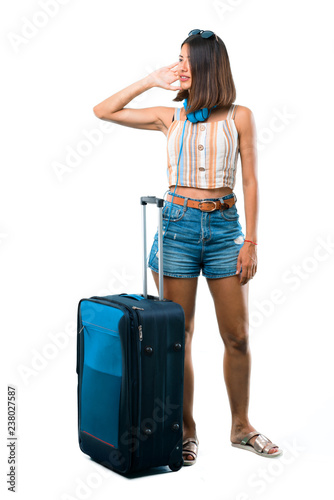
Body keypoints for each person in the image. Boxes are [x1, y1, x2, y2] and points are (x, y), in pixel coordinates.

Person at [93, 29, 283, 464]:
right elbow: (103, 111)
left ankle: (240, 427)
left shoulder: (240, 116)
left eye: (185, 60)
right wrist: (150, 79)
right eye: (175, 59)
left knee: (237, 335)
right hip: (176, 227)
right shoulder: (169, 116)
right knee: (178, 337)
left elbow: (251, 180)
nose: (178, 66)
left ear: (208, 65)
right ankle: (185, 430)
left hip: (224, 231)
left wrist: (250, 240)